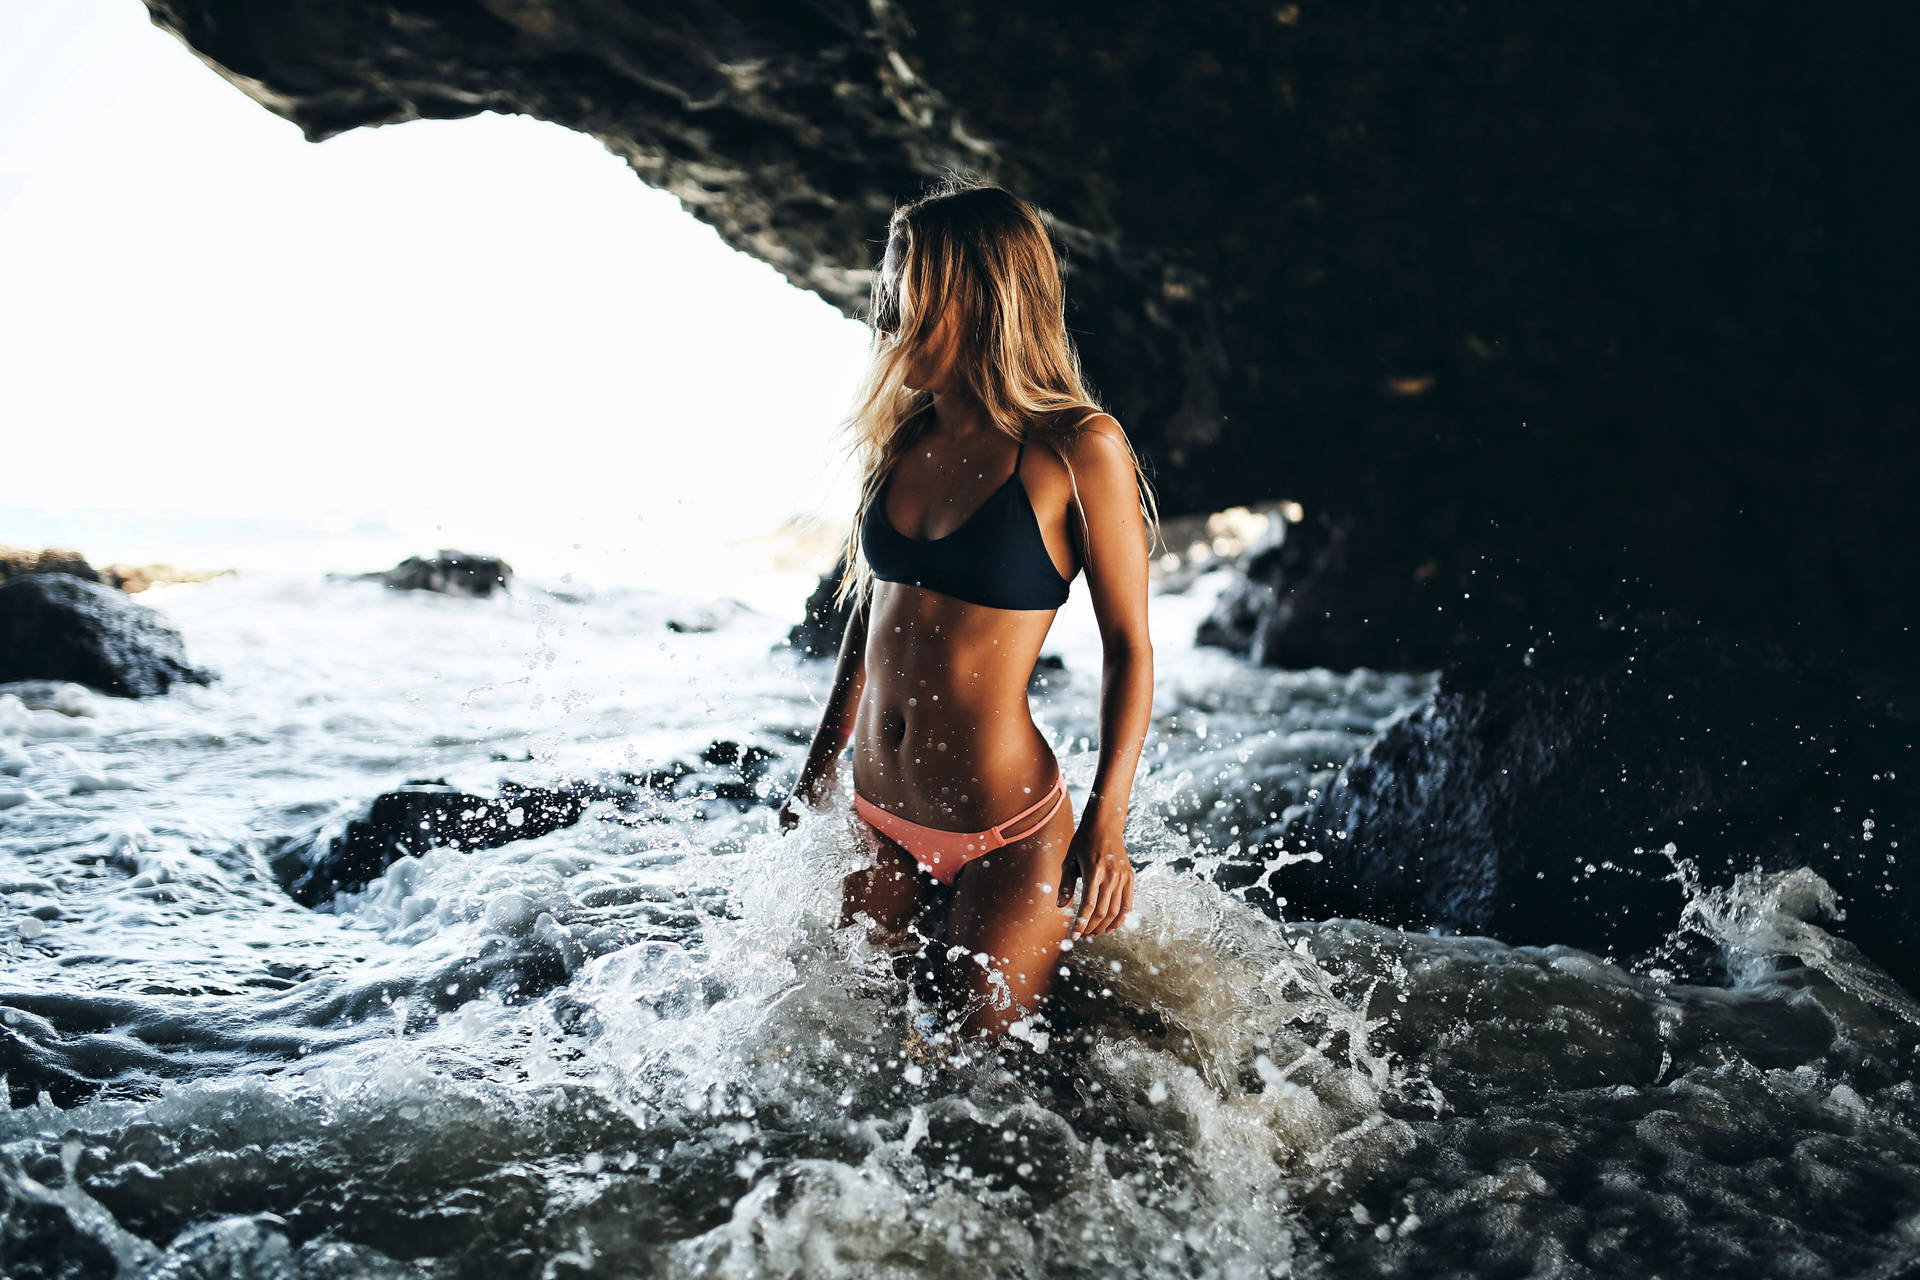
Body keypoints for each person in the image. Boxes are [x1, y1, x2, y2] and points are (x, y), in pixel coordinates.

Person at [779, 176, 1158, 1041]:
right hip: (876, 817)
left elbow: (1130, 648)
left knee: (982, 1088)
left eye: (902, 300)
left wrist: (1107, 824)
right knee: (849, 1061)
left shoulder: (1077, 448)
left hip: (1008, 833)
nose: (882, 322)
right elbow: (870, 620)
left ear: (977, 299)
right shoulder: (903, 436)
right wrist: (815, 770)